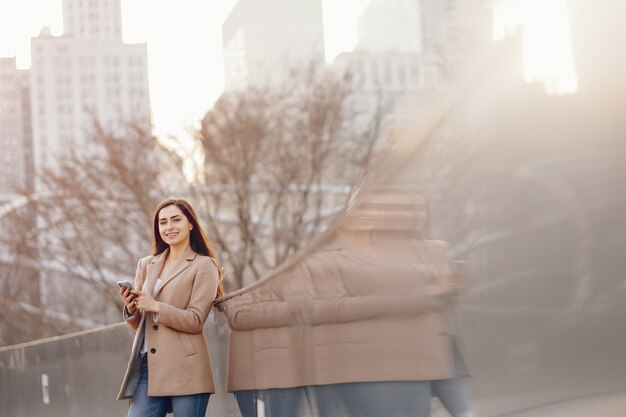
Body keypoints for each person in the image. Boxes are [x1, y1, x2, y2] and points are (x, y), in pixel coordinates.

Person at [221, 185, 472, 417]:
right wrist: (304, 309)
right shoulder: (293, 264)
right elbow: (237, 311)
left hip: (380, 357)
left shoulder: (414, 251)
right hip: (283, 366)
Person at [116, 198, 223, 417]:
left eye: (176, 220)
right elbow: (140, 324)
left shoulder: (204, 265)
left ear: (190, 224)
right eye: (163, 222)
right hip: (148, 368)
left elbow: (195, 320)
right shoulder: (147, 264)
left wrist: (156, 306)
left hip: (186, 368)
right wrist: (132, 309)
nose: (169, 227)